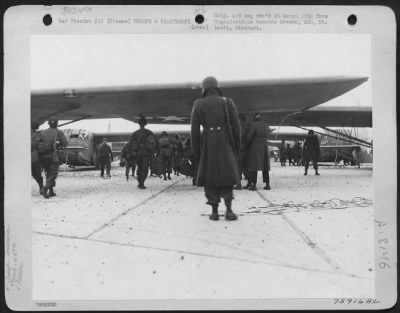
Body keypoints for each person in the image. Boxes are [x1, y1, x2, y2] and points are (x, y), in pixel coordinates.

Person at [191, 76, 241, 221]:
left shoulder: (198, 103)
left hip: (208, 143)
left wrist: (196, 151)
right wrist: (237, 145)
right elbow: (236, 126)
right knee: (227, 175)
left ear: (204, 88)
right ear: (217, 87)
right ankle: (229, 210)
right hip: (225, 142)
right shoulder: (228, 101)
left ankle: (214, 211)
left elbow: (194, 130)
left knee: (209, 176)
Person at [39, 118, 68, 199]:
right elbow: (65, 144)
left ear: (48, 124)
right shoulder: (59, 132)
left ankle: (51, 191)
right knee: (53, 174)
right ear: (57, 124)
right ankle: (45, 188)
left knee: (48, 173)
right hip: (53, 156)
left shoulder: (43, 132)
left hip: (43, 156)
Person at [129, 116, 158, 189]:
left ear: (139, 124)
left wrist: (132, 153)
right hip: (147, 153)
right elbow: (155, 142)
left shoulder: (135, 133)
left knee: (140, 167)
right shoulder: (149, 132)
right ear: (146, 124)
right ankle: (141, 182)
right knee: (145, 168)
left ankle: (140, 181)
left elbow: (130, 144)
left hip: (138, 153)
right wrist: (156, 152)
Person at [245, 114, 271, 190]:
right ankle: (267, 184)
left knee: (254, 166)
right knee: (265, 167)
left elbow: (250, 136)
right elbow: (268, 134)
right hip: (265, 146)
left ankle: (253, 184)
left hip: (256, 146)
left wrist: (247, 144)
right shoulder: (266, 125)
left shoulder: (254, 124)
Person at [31, 121, 43, 194]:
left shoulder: (35, 135)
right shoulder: (38, 135)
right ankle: (41, 187)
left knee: (36, 174)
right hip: (35, 158)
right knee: (37, 174)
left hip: (33, 158)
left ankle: (41, 187)